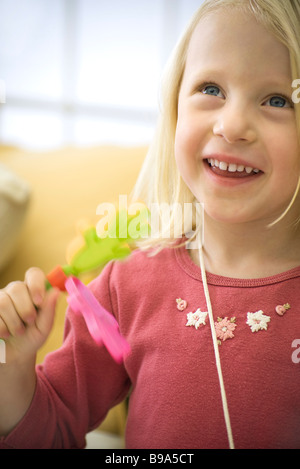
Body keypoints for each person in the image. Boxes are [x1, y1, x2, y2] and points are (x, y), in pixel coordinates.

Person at [1, 0, 300, 449]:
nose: (233, 125)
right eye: (211, 89)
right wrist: (13, 369)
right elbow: (52, 432)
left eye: (277, 99)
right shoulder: (127, 284)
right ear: (175, 108)